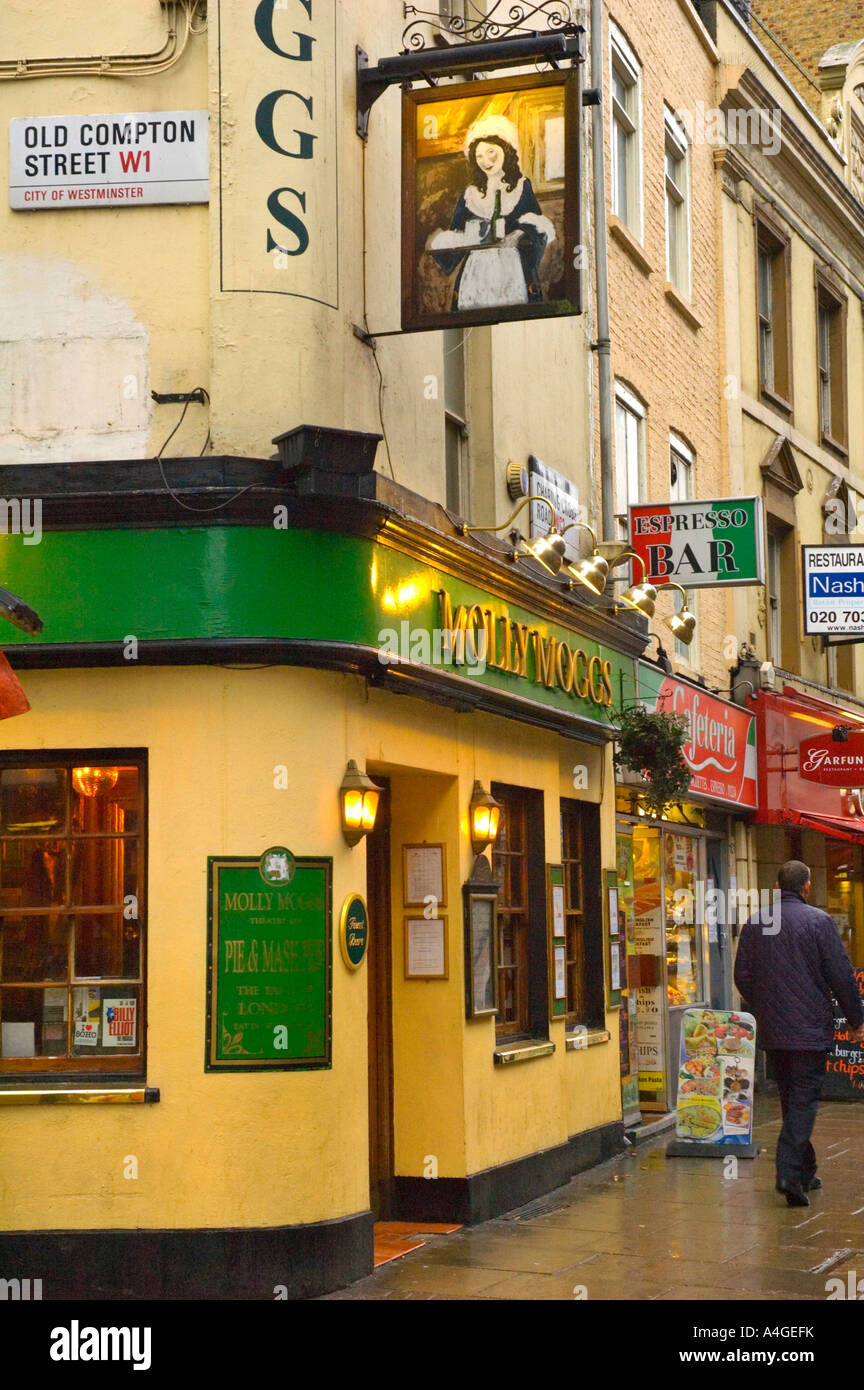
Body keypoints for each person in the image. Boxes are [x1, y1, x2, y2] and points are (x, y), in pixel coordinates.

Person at [734, 860, 864, 1206]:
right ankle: (789, 1174)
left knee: (792, 1100)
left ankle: (806, 1171)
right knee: (803, 1102)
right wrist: (857, 1022)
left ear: (778, 888)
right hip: (809, 1030)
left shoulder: (756, 922)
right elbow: (841, 975)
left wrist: (765, 1004)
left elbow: (742, 976)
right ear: (806, 887)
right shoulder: (819, 923)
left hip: (775, 1032)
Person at [428, 114, 555, 312]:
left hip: (511, 265)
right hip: (477, 269)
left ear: (505, 151)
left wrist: (519, 234)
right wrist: (466, 238)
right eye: (479, 156)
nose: (485, 161)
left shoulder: (521, 187)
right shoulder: (470, 195)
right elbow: (455, 235)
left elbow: (537, 226)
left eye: (491, 152)